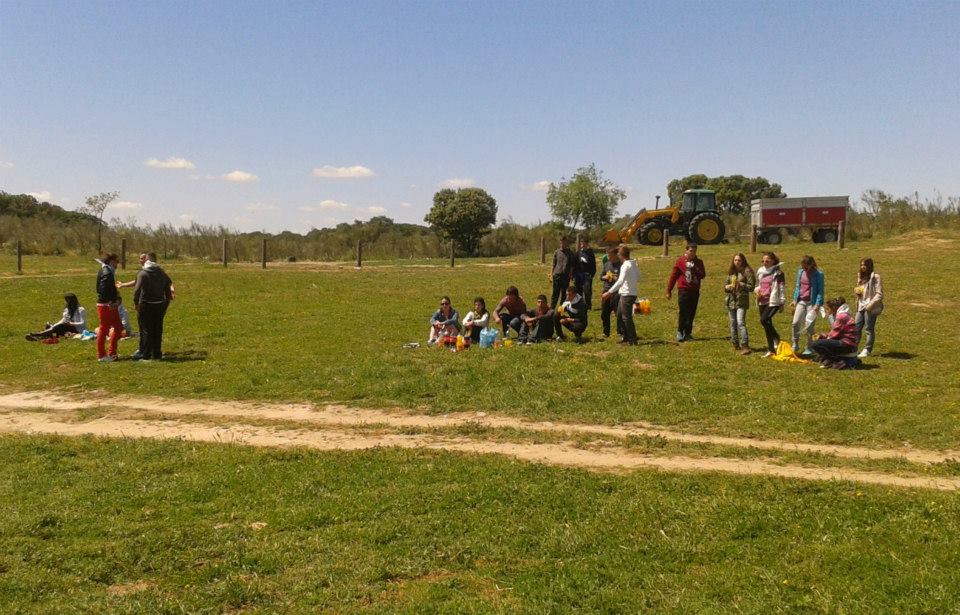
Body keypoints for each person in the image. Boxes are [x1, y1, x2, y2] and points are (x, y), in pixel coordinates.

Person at [133, 252, 174, 360]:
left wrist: (136, 303)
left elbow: (137, 290)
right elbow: (168, 288)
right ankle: (157, 354)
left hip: (146, 305)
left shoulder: (143, 274)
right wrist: (166, 303)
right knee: (157, 330)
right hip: (160, 305)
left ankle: (146, 355)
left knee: (146, 330)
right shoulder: (161, 273)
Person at [666, 243, 706, 342]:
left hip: (694, 290)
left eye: (694, 251)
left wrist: (694, 268)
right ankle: (680, 331)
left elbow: (702, 275)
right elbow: (673, 276)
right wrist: (669, 290)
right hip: (683, 290)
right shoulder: (680, 262)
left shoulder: (699, 262)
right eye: (691, 251)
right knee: (683, 312)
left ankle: (688, 333)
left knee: (691, 312)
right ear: (686, 251)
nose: (693, 253)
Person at [602, 245, 641, 345]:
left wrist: (609, 292)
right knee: (619, 314)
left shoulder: (625, 265)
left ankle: (632, 340)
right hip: (630, 293)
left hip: (627, 294)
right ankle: (626, 337)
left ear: (620, 255)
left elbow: (620, 281)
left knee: (626, 317)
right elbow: (639, 277)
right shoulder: (633, 263)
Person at [809, 297, 859, 369]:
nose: (827, 311)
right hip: (849, 343)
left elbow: (834, 335)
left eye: (828, 309)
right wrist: (823, 336)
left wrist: (821, 337)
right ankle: (830, 360)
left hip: (847, 344)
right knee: (821, 342)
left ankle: (837, 361)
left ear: (834, 308)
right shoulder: (844, 314)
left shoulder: (841, 316)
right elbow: (836, 333)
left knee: (815, 344)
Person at [790, 255, 825, 354]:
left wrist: (817, 305)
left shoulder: (819, 275)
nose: (804, 268)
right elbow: (798, 286)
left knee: (809, 325)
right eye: (802, 266)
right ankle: (795, 344)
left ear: (811, 264)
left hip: (812, 303)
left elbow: (820, 291)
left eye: (806, 267)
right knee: (795, 322)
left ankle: (810, 347)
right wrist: (794, 300)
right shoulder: (800, 272)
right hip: (801, 301)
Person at [755, 252, 786, 358]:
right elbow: (758, 285)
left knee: (764, 320)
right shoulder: (760, 271)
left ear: (773, 261)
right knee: (766, 325)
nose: (764, 263)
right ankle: (771, 349)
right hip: (761, 301)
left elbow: (781, 288)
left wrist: (782, 302)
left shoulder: (778, 273)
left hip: (773, 301)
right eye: (763, 261)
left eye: (767, 261)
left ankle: (776, 337)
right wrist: (757, 292)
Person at [724, 253, 756, 355]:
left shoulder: (747, 271)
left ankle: (745, 345)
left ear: (743, 261)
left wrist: (741, 284)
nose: (737, 262)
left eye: (739, 260)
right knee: (733, 323)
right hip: (731, 301)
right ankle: (735, 344)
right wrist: (727, 287)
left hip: (742, 301)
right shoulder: (731, 272)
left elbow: (751, 287)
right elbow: (725, 285)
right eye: (735, 260)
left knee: (740, 322)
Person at [94, 253, 123, 362]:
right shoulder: (107, 272)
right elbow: (102, 290)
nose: (118, 263)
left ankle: (112, 353)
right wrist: (111, 301)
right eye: (116, 261)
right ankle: (101, 355)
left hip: (110, 304)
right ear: (111, 261)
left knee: (119, 328)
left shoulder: (108, 271)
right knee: (104, 329)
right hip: (106, 305)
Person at [855, 258, 884, 358]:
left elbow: (879, 294)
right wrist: (858, 292)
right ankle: (853, 348)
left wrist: (870, 305)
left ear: (869, 266)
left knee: (868, 329)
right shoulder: (860, 276)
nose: (863, 267)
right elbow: (861, 290)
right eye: (861, 265)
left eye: (865, 265)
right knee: (856, 327)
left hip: (870, 307)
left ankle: (867, 349)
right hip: (861, 305)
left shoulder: (876, 277)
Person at [599, 247, 623, 339]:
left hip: (616, 292)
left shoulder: (621, 265)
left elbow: (622, 280)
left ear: (615, 255)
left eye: (610, 256)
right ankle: (606, 332)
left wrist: (615, 278)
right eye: (608, 255)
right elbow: (601, 276)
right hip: (606, 290)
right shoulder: (606, 264)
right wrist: (605, 277)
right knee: (604, 313)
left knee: (618, 313)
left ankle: (620, 332)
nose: (608, 257)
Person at [550, 236, 577, 308]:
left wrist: (570, 275)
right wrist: (551, 275)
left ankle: (561, 308)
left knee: (564, 294)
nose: (563, 244)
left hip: (565, 276)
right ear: (560, 243)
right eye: (561, 243)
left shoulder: (570, 253)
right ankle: (552, 309)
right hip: (557, 275)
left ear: (567, 243)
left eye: (564, 243)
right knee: (555, 293)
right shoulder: (557, 252)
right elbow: (553, 264)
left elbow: (572, 265)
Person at [574, 238, 597, 310]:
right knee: (578, 290)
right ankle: (580, 304)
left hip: (587, 274)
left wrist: (591, 274)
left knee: (587, 291)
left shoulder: (590, 253)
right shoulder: (578, 253)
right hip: (578, 275)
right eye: (581, 243)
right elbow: (575, 264)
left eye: (584, 243)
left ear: (587, 244)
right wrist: (574, 274)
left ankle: (588, 306)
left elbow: (593, 265)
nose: (582, 245)